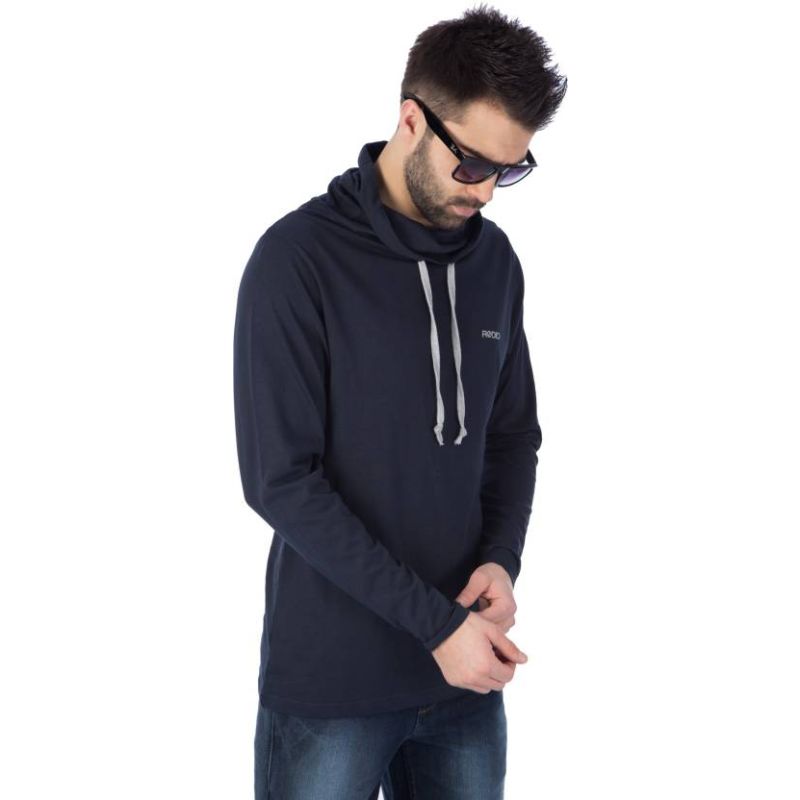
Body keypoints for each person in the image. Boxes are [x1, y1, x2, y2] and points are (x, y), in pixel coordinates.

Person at [233, 5, 567, 798]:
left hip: (464, 680)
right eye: (472, 165)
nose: (487, 193)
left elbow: (512, 435)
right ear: (412, 120)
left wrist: (501, 556)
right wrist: (437, 625)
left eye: (509, 170)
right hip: (332, 687)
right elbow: (280, 481)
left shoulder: (494, 262)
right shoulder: (297, 260)